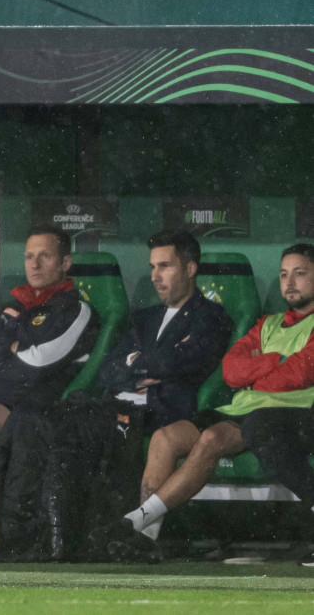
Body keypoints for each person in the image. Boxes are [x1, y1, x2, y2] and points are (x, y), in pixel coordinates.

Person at [87, 230, 238, 562]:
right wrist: (148, 365)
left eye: (165, 266)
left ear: (190, 268)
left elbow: (182, 364)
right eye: (153, 267)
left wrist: (138, 363)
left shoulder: (210, 317)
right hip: (122, 405)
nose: (155, 276)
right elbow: (109, 370)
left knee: (140, 432)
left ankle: (141, 536)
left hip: (167, 409)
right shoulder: (143, 319)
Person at [0, 225, 101, 456]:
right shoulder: (12, 307)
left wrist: (1, 352)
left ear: (65, 263)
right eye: (29, 256)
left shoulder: (76, 310)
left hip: (31, 412)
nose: (34, 264)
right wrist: (10, 349)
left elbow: (38, 364)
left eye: (44, 256)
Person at [233, 244, 314, 566]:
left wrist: (256, 375)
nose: (289, 282)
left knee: (260, 425)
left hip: (306, 412)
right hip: (272, 413)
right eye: (283, 275)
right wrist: (275, 362)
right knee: (253, 425)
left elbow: (299, 372)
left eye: (300, 273)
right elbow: (231, 369)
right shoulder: (268, 323)